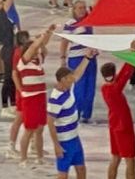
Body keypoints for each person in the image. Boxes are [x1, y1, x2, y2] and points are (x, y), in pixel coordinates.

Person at [47, 50, 99, 179]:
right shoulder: (56, 99)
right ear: (63, 79)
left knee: (81, 169)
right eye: (70, 78)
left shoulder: (68, 87)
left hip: (74, 138)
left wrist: (87, 57)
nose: (73, 80)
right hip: (64, 142)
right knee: (63, 174)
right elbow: (50, 122)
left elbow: (77, 74)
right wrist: (56, 146)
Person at [16, 24, 56, 164]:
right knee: (29, 129)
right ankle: (23, 158)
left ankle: (39, 157)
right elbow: (34, 46)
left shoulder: (37, 60)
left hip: (40, 96)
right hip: (30, 98)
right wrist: (43, 34)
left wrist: (50, 32)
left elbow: (43, 46)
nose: (37, 49)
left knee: (39, 129)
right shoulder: (24, 62)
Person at [60, 0, 97, 124]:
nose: (82, 10)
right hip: (76, 59)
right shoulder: (70, 23)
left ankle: (86, 115)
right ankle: (76, 113)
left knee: (90, 88)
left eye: (83, 7)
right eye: (79, 8)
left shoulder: (89, 19)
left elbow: (96, 3)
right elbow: (64, 41)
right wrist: (62, 58)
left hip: (91, 58)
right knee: (79, 88)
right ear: (74, 10)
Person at [100, 52, 135, 179]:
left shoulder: (104, 88)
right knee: (130, 160)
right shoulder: (115, 89)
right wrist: (132, 54)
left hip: (114, 125)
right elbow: (125, 74)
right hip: (124, 128)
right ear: (114, 74)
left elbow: (122, 75)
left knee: (116, 157)